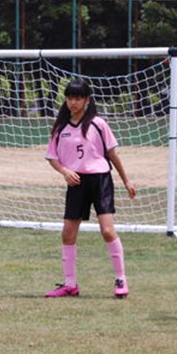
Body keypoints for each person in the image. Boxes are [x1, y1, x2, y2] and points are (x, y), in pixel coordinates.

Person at [44, 79, 136, 298]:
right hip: (76, 183)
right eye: (69, 98)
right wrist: (65, 171)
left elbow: (113, 154)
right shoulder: (61, 127)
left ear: (86, 100)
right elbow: (52, 158)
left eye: (77, 98)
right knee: (67, 233)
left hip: (100, 180)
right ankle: (70, 284)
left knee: (107, 231)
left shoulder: (98, 123)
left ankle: (121, 279)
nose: (73, 102)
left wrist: (127, 181)